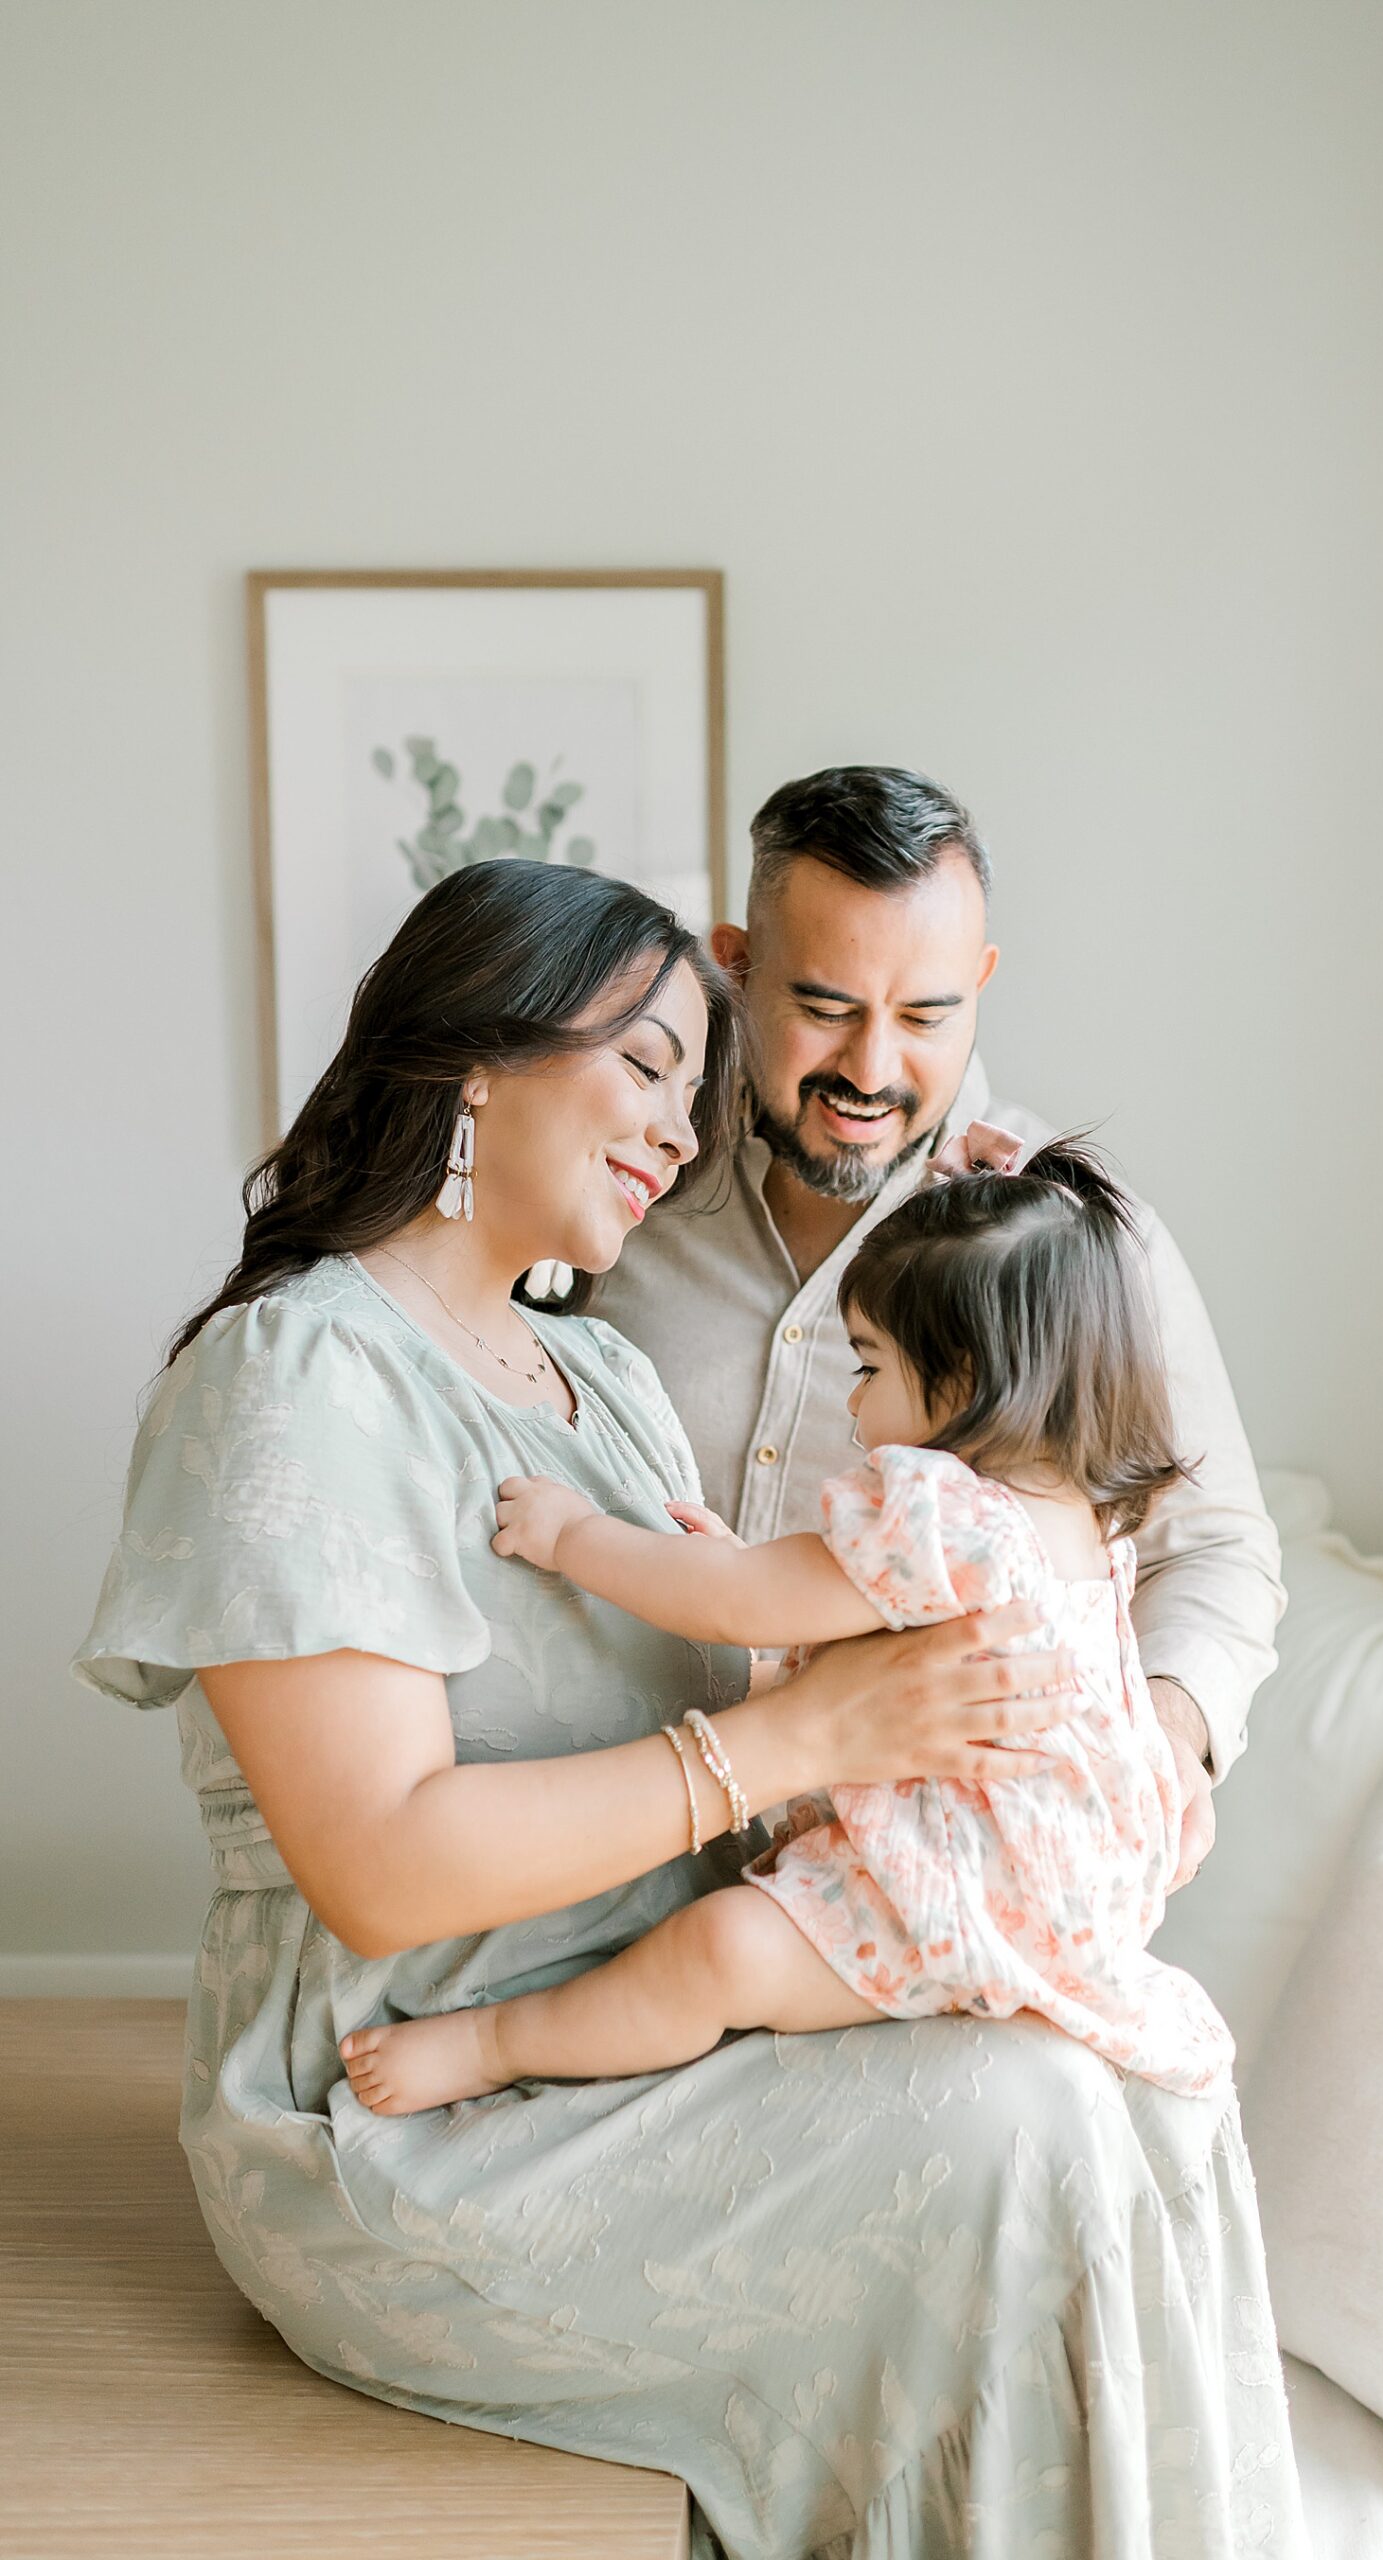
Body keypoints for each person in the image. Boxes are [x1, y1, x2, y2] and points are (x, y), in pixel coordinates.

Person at [74, 858, 1307, 2557]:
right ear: (477, 1064)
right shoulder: (298, 1377)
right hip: (409, 2111)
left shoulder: (607, 1379)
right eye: (649, 1065)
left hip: (671, 2033)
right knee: (1021, 2135)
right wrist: (802, 1737)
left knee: (1117, 2083)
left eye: (695, 1080)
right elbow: (379, 1870)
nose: (683, 1123)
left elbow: (790, 1618)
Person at [339, 1141, 1236, 2119]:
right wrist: (764, 1580)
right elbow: (825, 1621)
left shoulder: (945, 1511)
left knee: (717, 1953)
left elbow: (738, 1602)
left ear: (964, 1378)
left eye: (869, 1365)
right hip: (1063, 1916)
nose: (853, 1404)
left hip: (956, 1903)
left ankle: (492, 2043)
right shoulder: (1082, 1526)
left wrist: (576, 1537)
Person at [594, 766, 1285, 1893]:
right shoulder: (622, 1172)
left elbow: (1213, 1547)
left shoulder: (1065, 1247)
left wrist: (1166, 1735)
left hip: (910, 1901)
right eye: (826, 1008)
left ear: (981, 983)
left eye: (925, 1016)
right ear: (736, 967)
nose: (871, 1070)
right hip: (600, 1866)